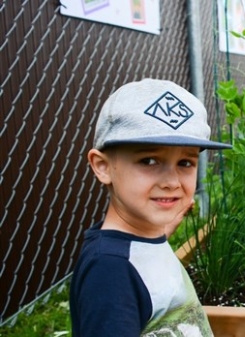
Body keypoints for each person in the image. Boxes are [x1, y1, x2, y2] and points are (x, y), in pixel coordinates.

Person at [69, 78, 232, 336]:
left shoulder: (139, 238)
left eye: (185, 163)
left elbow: (142, 257)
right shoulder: (111, 273)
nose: (172, 182)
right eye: (149, 160)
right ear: (102, 166)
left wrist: (162, 231)